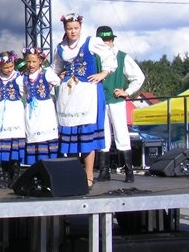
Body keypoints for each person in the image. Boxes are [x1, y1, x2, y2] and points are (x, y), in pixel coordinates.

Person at [51, 13, 117, 188]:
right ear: (65, 29)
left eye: (76, 28)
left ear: (80, 27)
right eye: (69, 28)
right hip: (69, 95)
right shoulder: (61, 47)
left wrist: (103, 73)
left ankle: (88, 177)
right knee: (71, 137)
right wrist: (57, 77)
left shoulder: (90, 42)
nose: (73, 31)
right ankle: (74, 175)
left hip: (87, 92)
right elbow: (55, 68)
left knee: (87, 137)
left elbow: (109, 56)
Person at [95, 26, 145, 183]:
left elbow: (138, 77)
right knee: (103, 134)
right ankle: (104, 171)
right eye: (102, 41)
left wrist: (127, 91)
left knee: (121, 133)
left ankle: (129, 171)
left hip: (116, 100)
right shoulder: (95, 57)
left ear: (112, 41)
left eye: (107, 41)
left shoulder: (121, 57)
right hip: (100, 100)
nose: (106, 44)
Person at [0, 51, 26, 188]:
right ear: (0, 66)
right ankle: (5, 175)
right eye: (6, 67)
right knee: (3, 147)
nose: (9, 69)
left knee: (14, 147)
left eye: (11, 66)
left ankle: (15, 176)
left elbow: (24, 92)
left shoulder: (18, 77)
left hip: (13, 113)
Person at [20, 47, 60, 165]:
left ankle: (48, 164)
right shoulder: (23, 77)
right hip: (31, 111)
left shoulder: (46, 73)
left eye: (34, 61)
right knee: (33, 133)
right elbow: (23, 92)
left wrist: (50, 87)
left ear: (40, 61)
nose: (31, 64)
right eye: (28, 61)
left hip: (45, 110)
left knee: (45, 134)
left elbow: (58, 82)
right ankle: (34, 166)